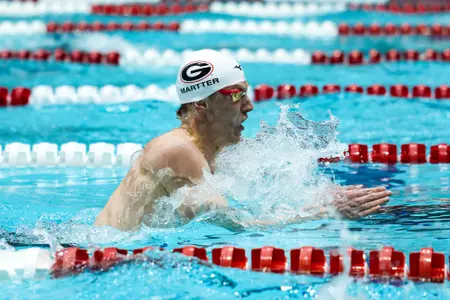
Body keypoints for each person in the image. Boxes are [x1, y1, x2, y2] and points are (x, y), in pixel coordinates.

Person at [94, 49, 391, 231]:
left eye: (245, 93)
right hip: (99, 259)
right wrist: (320, 211)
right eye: (236, 95)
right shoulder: (177, 151)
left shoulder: (213, 152)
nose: (248, 106)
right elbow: (237, 225)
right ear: (202, 105)